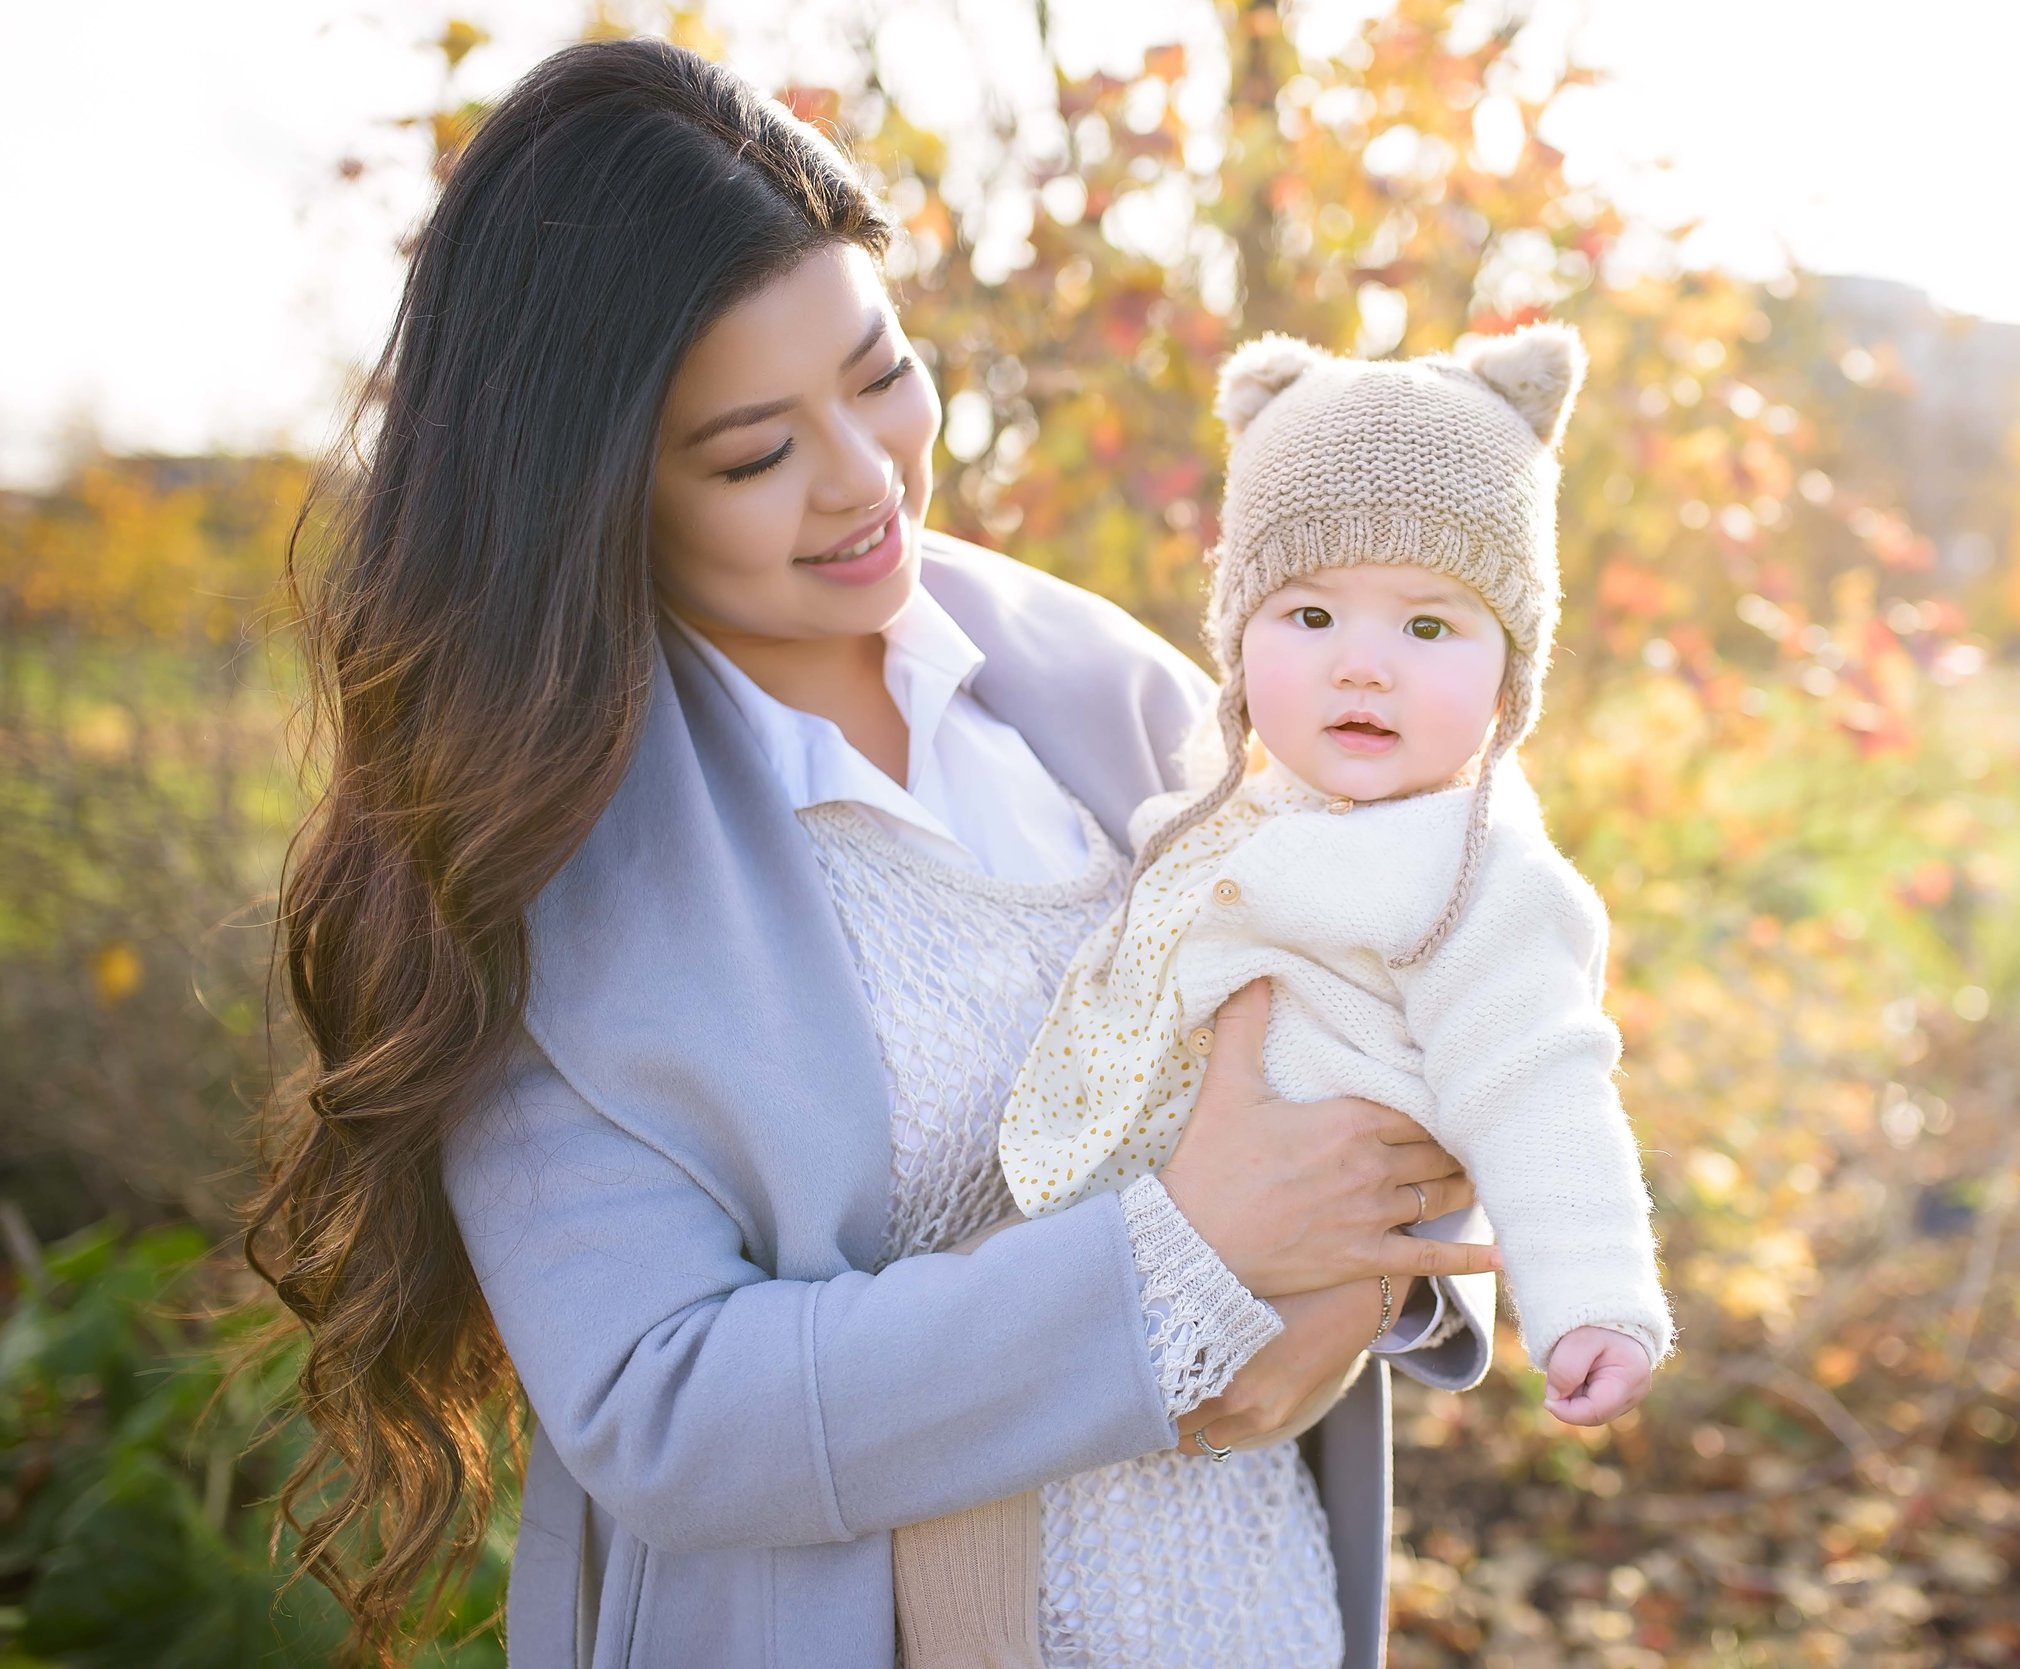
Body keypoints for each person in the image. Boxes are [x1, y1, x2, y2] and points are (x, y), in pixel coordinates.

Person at [247, 36, 1499, 1669]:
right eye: (755, 451)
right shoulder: (531, 850)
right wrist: (1173, 1273)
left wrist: (1358, 1297)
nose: (864, 483)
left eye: (881, 370)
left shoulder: (1101, 683)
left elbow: (1367, 1029)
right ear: (595, 490)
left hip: (1249, 1611)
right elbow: (666, 1406)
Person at [899, 328, 1677, 1661]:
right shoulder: (1233, 793)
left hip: (1262, 1299)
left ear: (1510, 675)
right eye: (1309, 616)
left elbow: (1540, 1075)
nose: (1361, 663)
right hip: (1103, 1290)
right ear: (1241, 633)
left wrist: (1592, 1294)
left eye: (1428, 624)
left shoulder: (1478, 870)